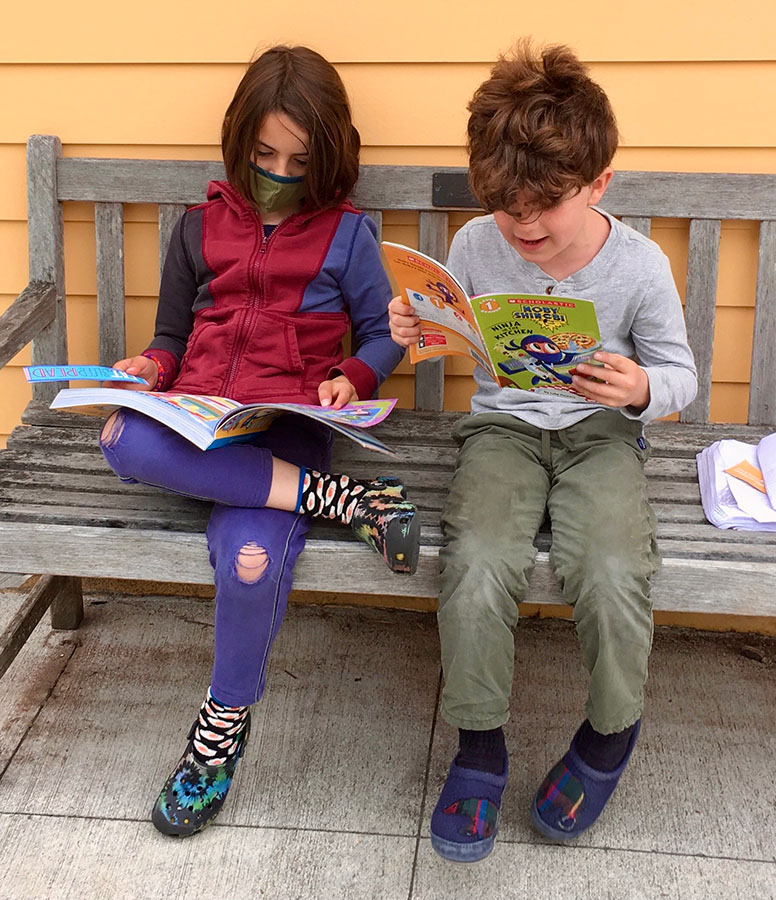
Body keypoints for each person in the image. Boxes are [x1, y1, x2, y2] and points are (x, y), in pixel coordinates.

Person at [99, 44, 419, 838]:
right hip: (197, 420)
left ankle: (217, 739)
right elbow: (172, 336)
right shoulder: (198, 226)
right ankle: (343, 502)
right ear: (240, 138)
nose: (277, 172)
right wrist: (150, 365)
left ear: (329, 156)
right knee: (117, 437)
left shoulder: (347, 234)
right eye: (264, 154)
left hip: (288, 429)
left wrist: (354, 373)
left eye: (298, 160)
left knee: (249, 561)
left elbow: (384, 337)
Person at [389, 41, 697, 862]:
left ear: (599, 182)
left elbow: (681, 377)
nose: (523, 228)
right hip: (504, 429)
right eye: (506, 209)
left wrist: (639, 388)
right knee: (479, 559)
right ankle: (479, 747)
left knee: (608, 570)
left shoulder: (640, 265)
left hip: (601, 439)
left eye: (543, 209)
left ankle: (610, 732)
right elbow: (456, 335)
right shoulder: (474, 246)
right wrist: (418, 329)